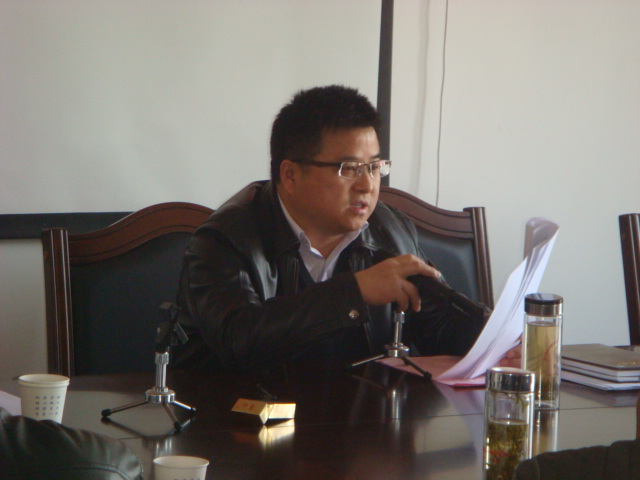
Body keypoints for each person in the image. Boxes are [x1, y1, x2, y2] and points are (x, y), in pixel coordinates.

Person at [174, 85, 519, 374]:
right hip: (234, 423)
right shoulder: (224, 239)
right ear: (290, 175)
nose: (367, 186)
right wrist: (355, 291)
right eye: (349, 169)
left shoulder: (389, 230)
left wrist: (506, 342)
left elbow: (436, 321)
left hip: (355, 425)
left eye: (375, 167)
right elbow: (239, 341)